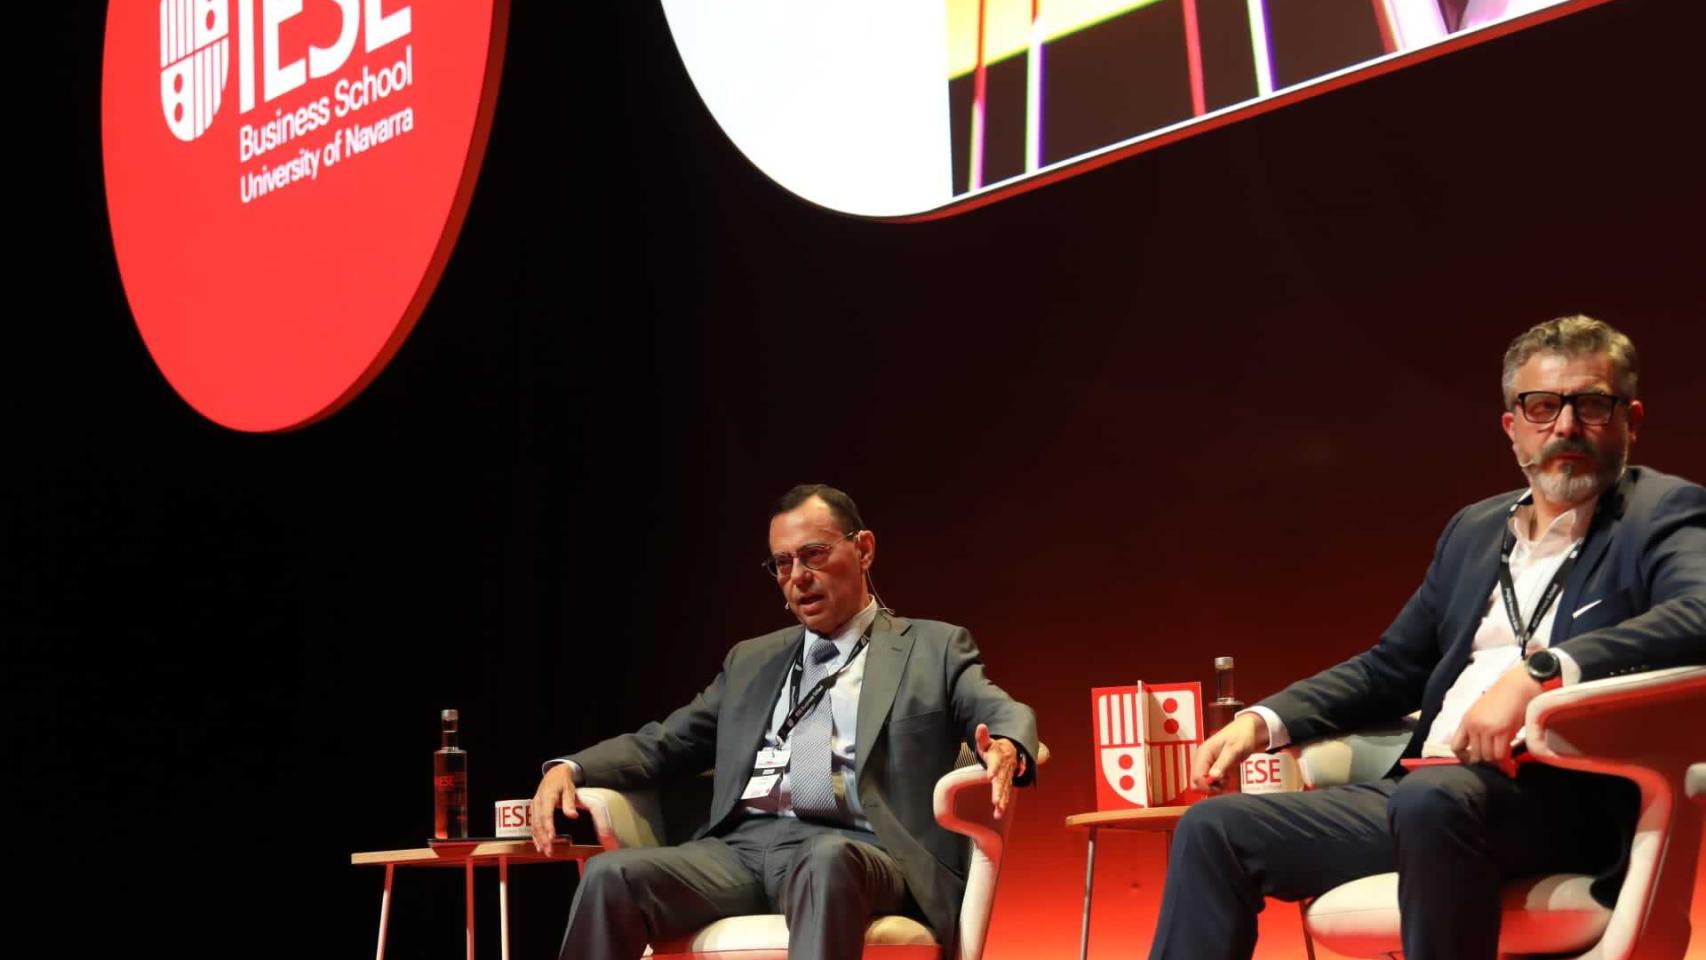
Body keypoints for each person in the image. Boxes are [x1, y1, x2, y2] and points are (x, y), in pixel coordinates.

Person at [1149, 315, 1706, 959]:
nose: (1565, 426)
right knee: (1215, 829)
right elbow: (1391, 667)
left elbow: (1699, 612)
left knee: (1432, 800)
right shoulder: (1472, 531)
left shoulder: (1660, 513)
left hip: (1562, 805)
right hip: (1426, 793)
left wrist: (1542, 673)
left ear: (1630, 419)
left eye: (1592, 405)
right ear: (1512, 427)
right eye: (1543, 406)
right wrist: (1264, 721)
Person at [530, 483, 1039, 960]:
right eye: (782, 563)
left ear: (863, 550)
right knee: (609, 875)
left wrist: (1007, 742)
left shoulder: (933, 647)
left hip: (860, 850)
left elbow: (997, 707)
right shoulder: (752, 660)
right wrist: (569, 769)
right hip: (740, 851)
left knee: (825, 860)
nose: (798, 576)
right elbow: (666, 742)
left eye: (814, 555)